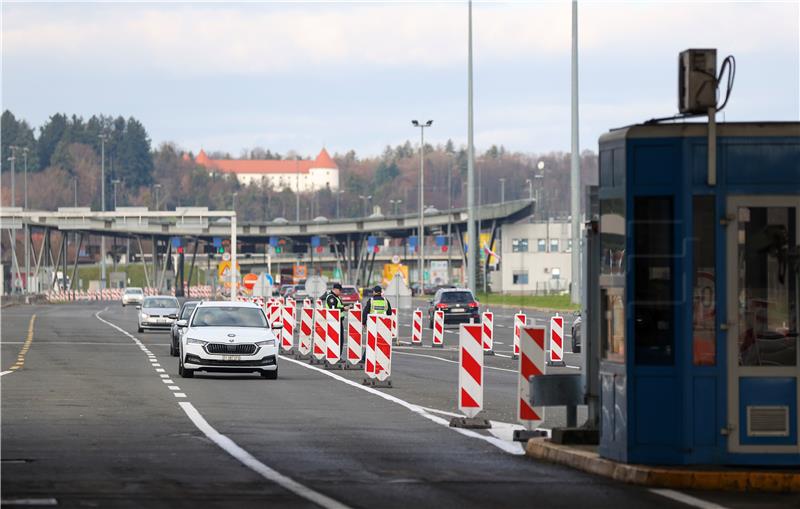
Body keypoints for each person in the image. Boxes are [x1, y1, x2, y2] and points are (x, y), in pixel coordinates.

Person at [325, 283, 346, 356]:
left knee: (340, 340)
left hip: (338, 321)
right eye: (340, 290)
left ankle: (337, 356)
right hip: (334, 322)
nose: (340, 292)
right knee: (336, 340)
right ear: (335, 289)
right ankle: (335, 356)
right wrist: (344, 308)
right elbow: (333, 309)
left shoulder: (337, 297)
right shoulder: (331, 297)